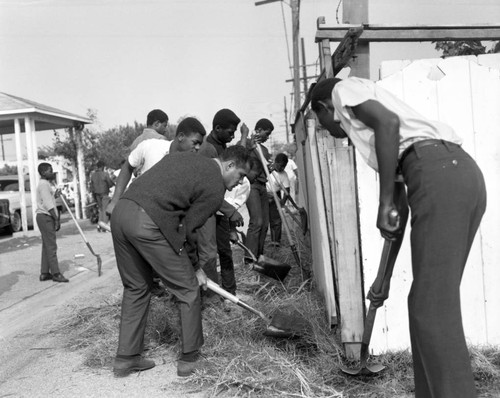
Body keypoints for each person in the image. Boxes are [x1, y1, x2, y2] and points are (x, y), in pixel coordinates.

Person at [310, 77, 486, 398]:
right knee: (422, 303)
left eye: (320, 122)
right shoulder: (385, 143)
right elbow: (398, 213)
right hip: (454, 175)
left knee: (433, 308)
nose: (326, 129)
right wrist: (384, 279)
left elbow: (387, 123)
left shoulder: (341, 91)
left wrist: (383, 201)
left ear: (324, 108)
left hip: (438, 174)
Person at [110, 146, 249, 378]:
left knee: (137, 287)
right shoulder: (215, 186)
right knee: (188, 290)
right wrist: (195, 268)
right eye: (241, 175)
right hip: (148, 221)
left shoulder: (185, 158)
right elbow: (188, 229)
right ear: (230, 165)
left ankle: (126, 358)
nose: (240, 182)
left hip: (122, 213)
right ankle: (189, 360)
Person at [106, 117, 207, 297]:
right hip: (138, 213)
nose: (198, 148)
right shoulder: (151, 146)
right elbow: (127, 166)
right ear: (181, 136)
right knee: (139, 277)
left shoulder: (188, 166)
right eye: (195, 142)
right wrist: (115, 200)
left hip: (163, 219)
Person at [197, 109, 247, 298]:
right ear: (217, 128)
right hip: (209, 210)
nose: (232, 135)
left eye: (235, 132)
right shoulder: (207, 150)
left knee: (225, 252)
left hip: (220, 208)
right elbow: (205, 189)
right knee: (208, 254)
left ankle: (229, 293)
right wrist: (229, 210)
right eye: (230, 132)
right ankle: (211, 298)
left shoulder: (223, 150)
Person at [243, 118, 274, 262]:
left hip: (262, 186)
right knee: (257, 222)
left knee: (265, 223)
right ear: (259, 130)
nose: (267, 137)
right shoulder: (248, 144)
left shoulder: (265, 150)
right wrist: (250, 145)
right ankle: (249, 257)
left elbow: (263, 169)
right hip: (252, 186)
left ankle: (259, 256)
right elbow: (240, 155)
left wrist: (270, 168)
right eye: (266, 134)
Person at [36, 162, 69, 283]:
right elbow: (48, 204)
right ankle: (56, 273)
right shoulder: (44, 184)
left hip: (43, 216)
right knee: (51, 246)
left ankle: (44, 273)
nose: (52, 173)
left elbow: (48, 199)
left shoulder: (45, 184)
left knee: (46, 245)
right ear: (44, 172)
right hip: (45, 217)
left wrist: (55, 196)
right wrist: (56, 218)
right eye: (50, 170)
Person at [266, 153, 290, 247]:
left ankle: (276, 242)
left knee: (276, 220)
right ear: (276, 162)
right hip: (263, 194)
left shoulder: (284, 174)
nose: (282, 168)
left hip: (276, 195)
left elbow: (287, 190)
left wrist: (282, 203)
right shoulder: (267, 169)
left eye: (284, 166)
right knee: (263, 221)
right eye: (281, 166)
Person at [89, 160, 115, 232]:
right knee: (105, 210)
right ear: (103, 166)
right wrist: (113, 183)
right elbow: (110, 183)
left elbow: (91, 186)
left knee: (100, 210)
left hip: (96, 194)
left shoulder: (93, 175)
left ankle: (99, 225)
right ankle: (104, 227)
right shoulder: (105, 174)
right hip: (104, 194)